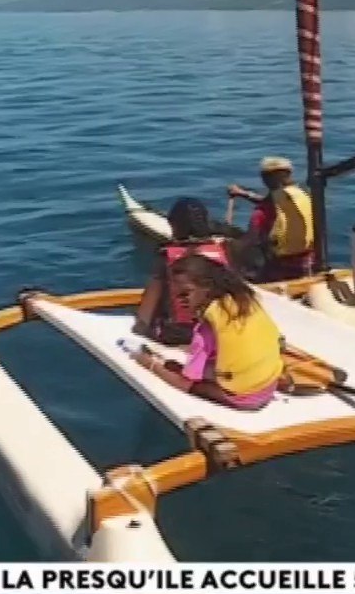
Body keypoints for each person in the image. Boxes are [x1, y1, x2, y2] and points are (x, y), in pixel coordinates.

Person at [129, 253, 285, 411]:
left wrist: (150, 364)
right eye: (176, 295)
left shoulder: (207, 327)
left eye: (185, 293)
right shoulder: (243, 300)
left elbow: (186, 379)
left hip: (245, 398)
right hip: (268, 384)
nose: (179, 300)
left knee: (186, 380)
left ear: (208, 287)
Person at [132, 197, 232, 345]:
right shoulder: (224, 251)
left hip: (180, 334)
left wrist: (140, 328)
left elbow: (147, 309)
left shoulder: (166, 258)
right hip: (219, 330)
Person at [227, 156, 316, 282]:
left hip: (280, 270)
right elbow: (275, 202)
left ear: (264, 179)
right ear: (289, 174)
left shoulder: (262, 213)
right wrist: (243, 194)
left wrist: (227, 248)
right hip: (310, 263)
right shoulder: (304, 196)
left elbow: (249, 241)